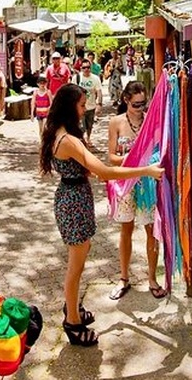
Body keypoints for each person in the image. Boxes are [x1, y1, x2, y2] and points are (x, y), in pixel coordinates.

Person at [40, 84, 163, 347]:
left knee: (80, 258)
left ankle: (72, 307)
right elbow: (104, 171)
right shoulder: (68, 140)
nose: (85, 109)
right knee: (76, 266)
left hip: (72, 197)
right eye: (82, 105)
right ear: (69, 106)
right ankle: (72, 321)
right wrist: (145, 170)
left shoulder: (56, 133)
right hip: (73, 203)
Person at [107, 81, 167, 300]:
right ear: (126, 100)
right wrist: (133, 159)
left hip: (147, 183)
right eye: (136, 104)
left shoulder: (151, 122)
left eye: (143, 104)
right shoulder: (116, 122)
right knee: (126, 230)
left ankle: (152, 278)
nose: (140, 109)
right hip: (125, 183)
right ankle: (124, 277)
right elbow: (111, 157)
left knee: (152, 230)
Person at [74, 60, 102, 144]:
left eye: (88, 67)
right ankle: (83, 140)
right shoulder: (76, 78)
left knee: (89, 125)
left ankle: (88, 138)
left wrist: (99, 104)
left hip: (91, 106)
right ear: (81, 68)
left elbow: (99, 92)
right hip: (80, 107)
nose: (86, 69)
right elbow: (72, 91)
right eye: (84, 67)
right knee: (82, 126)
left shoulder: (95, 78)